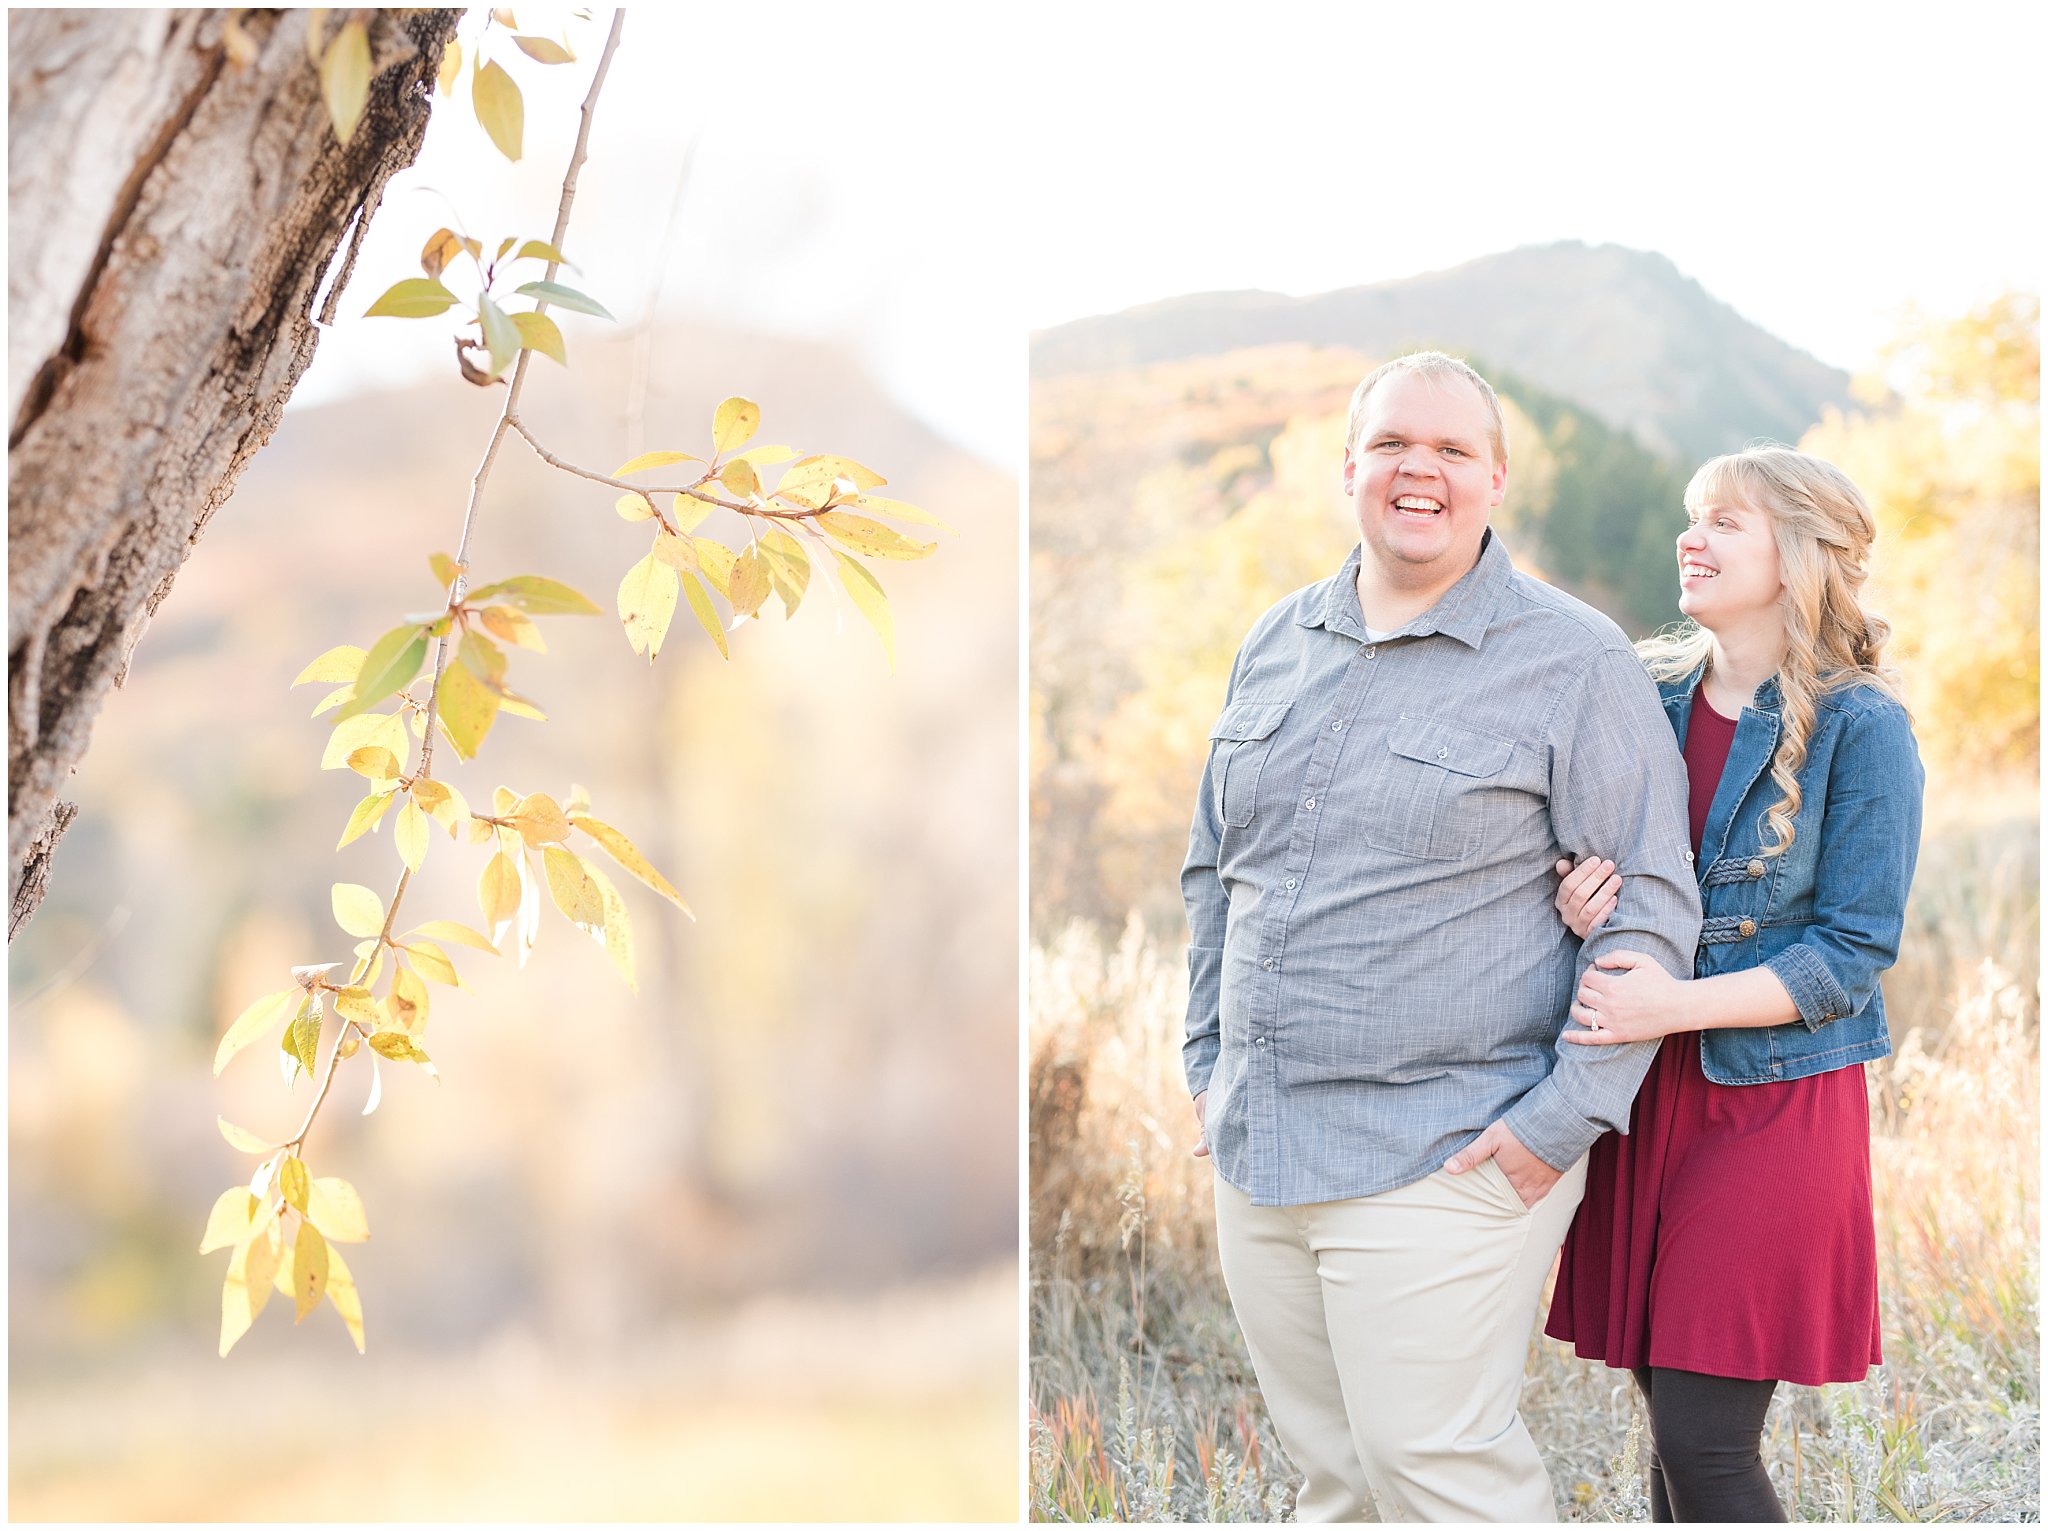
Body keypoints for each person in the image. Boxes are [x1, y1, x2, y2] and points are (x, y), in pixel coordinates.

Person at [1181, 350, 1702, 1523]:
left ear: (1496, 480)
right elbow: (1215, 870)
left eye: (1453, 450)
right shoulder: (1276, 638)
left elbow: (1650, 907)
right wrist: (1206, 1062)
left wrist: (1554, 1125)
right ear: (1349, 468)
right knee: (1338, 1483)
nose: (1420, 468)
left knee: (1437, 1470)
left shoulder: (1572, 659)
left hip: (1446, 1146)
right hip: (1261, 1147)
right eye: (1392, 445)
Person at [1542, 445, 1924, 1522]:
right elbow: (1594, 866)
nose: (1689, 538)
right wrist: (1582, 900)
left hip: (1767, 1102)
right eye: (1688, 516)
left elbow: (1848, 955)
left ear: (1796, 552)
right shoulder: (1643, 698)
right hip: (1641, 1095)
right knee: (1664, 1428)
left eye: (1723, 522)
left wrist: (1672, 1005)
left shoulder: (1863, 726)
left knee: (1704, 1444)